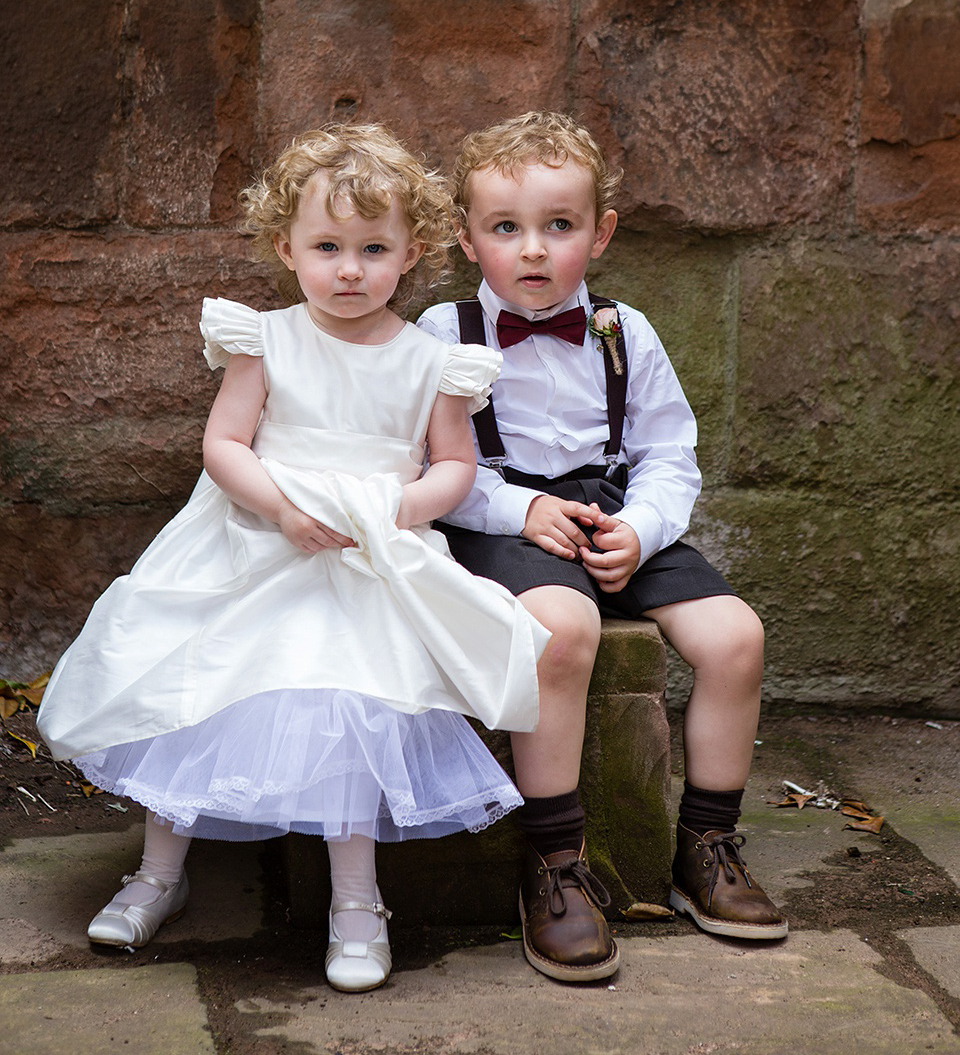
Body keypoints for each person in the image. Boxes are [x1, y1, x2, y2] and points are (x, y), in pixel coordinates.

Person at [38, 124, 548, 993]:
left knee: (351, 700)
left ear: (411, 253)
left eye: (372, 249)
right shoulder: (265, 339)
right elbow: (226, 444)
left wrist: (400, 507)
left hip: (368, 556)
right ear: (287, 248)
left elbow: (456, 467)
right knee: (197, 686)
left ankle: (357, 900)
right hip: (255, 541)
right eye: (326, 247)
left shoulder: (433, 361)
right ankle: (160, 872)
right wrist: (279, 504)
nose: (349, 269)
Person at [418, 110, 787, 984]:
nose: (534, 251)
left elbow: (670, 454)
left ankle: (707, 845)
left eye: (560, 226)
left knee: (737, 638)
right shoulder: (442, 335)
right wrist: (518, 513)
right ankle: (555, 861)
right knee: (561, 632)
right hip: (502, 517)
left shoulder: (629, 331)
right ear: (468, 238)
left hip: (618, 513)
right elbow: (432, 467)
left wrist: (642, 530)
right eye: (506, 228)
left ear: (602, 231)